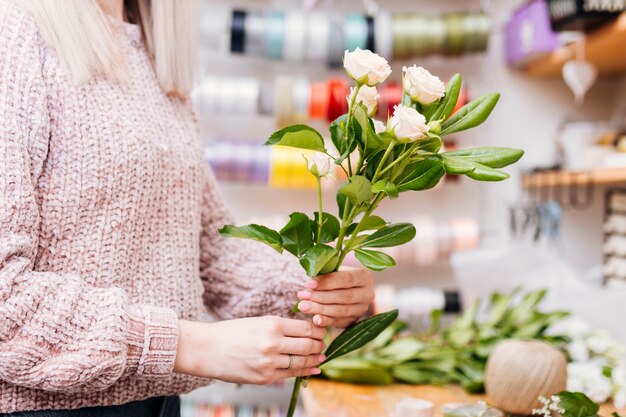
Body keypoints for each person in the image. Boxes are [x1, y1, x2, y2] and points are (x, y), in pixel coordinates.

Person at [0, 0, 375, 415]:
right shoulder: (15, 32)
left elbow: (208, 251)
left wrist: (319, 287)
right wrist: (190, 345)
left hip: (159, 404)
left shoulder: (151, 50)